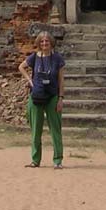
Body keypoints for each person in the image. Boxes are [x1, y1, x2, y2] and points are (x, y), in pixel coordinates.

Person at [19, 31, 65, 168]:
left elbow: (61, 80)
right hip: (36, 96)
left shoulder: (57, 59)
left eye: (47, 41)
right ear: (39, 43)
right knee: (35, 131)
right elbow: (21, 67)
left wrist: (61, 98)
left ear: (51, 43)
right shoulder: (34, 57)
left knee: (55, 130)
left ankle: (58, 160)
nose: (45, 43)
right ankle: (35, 160)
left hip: (52, 96)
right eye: (42, 41)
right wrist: (30, 80)